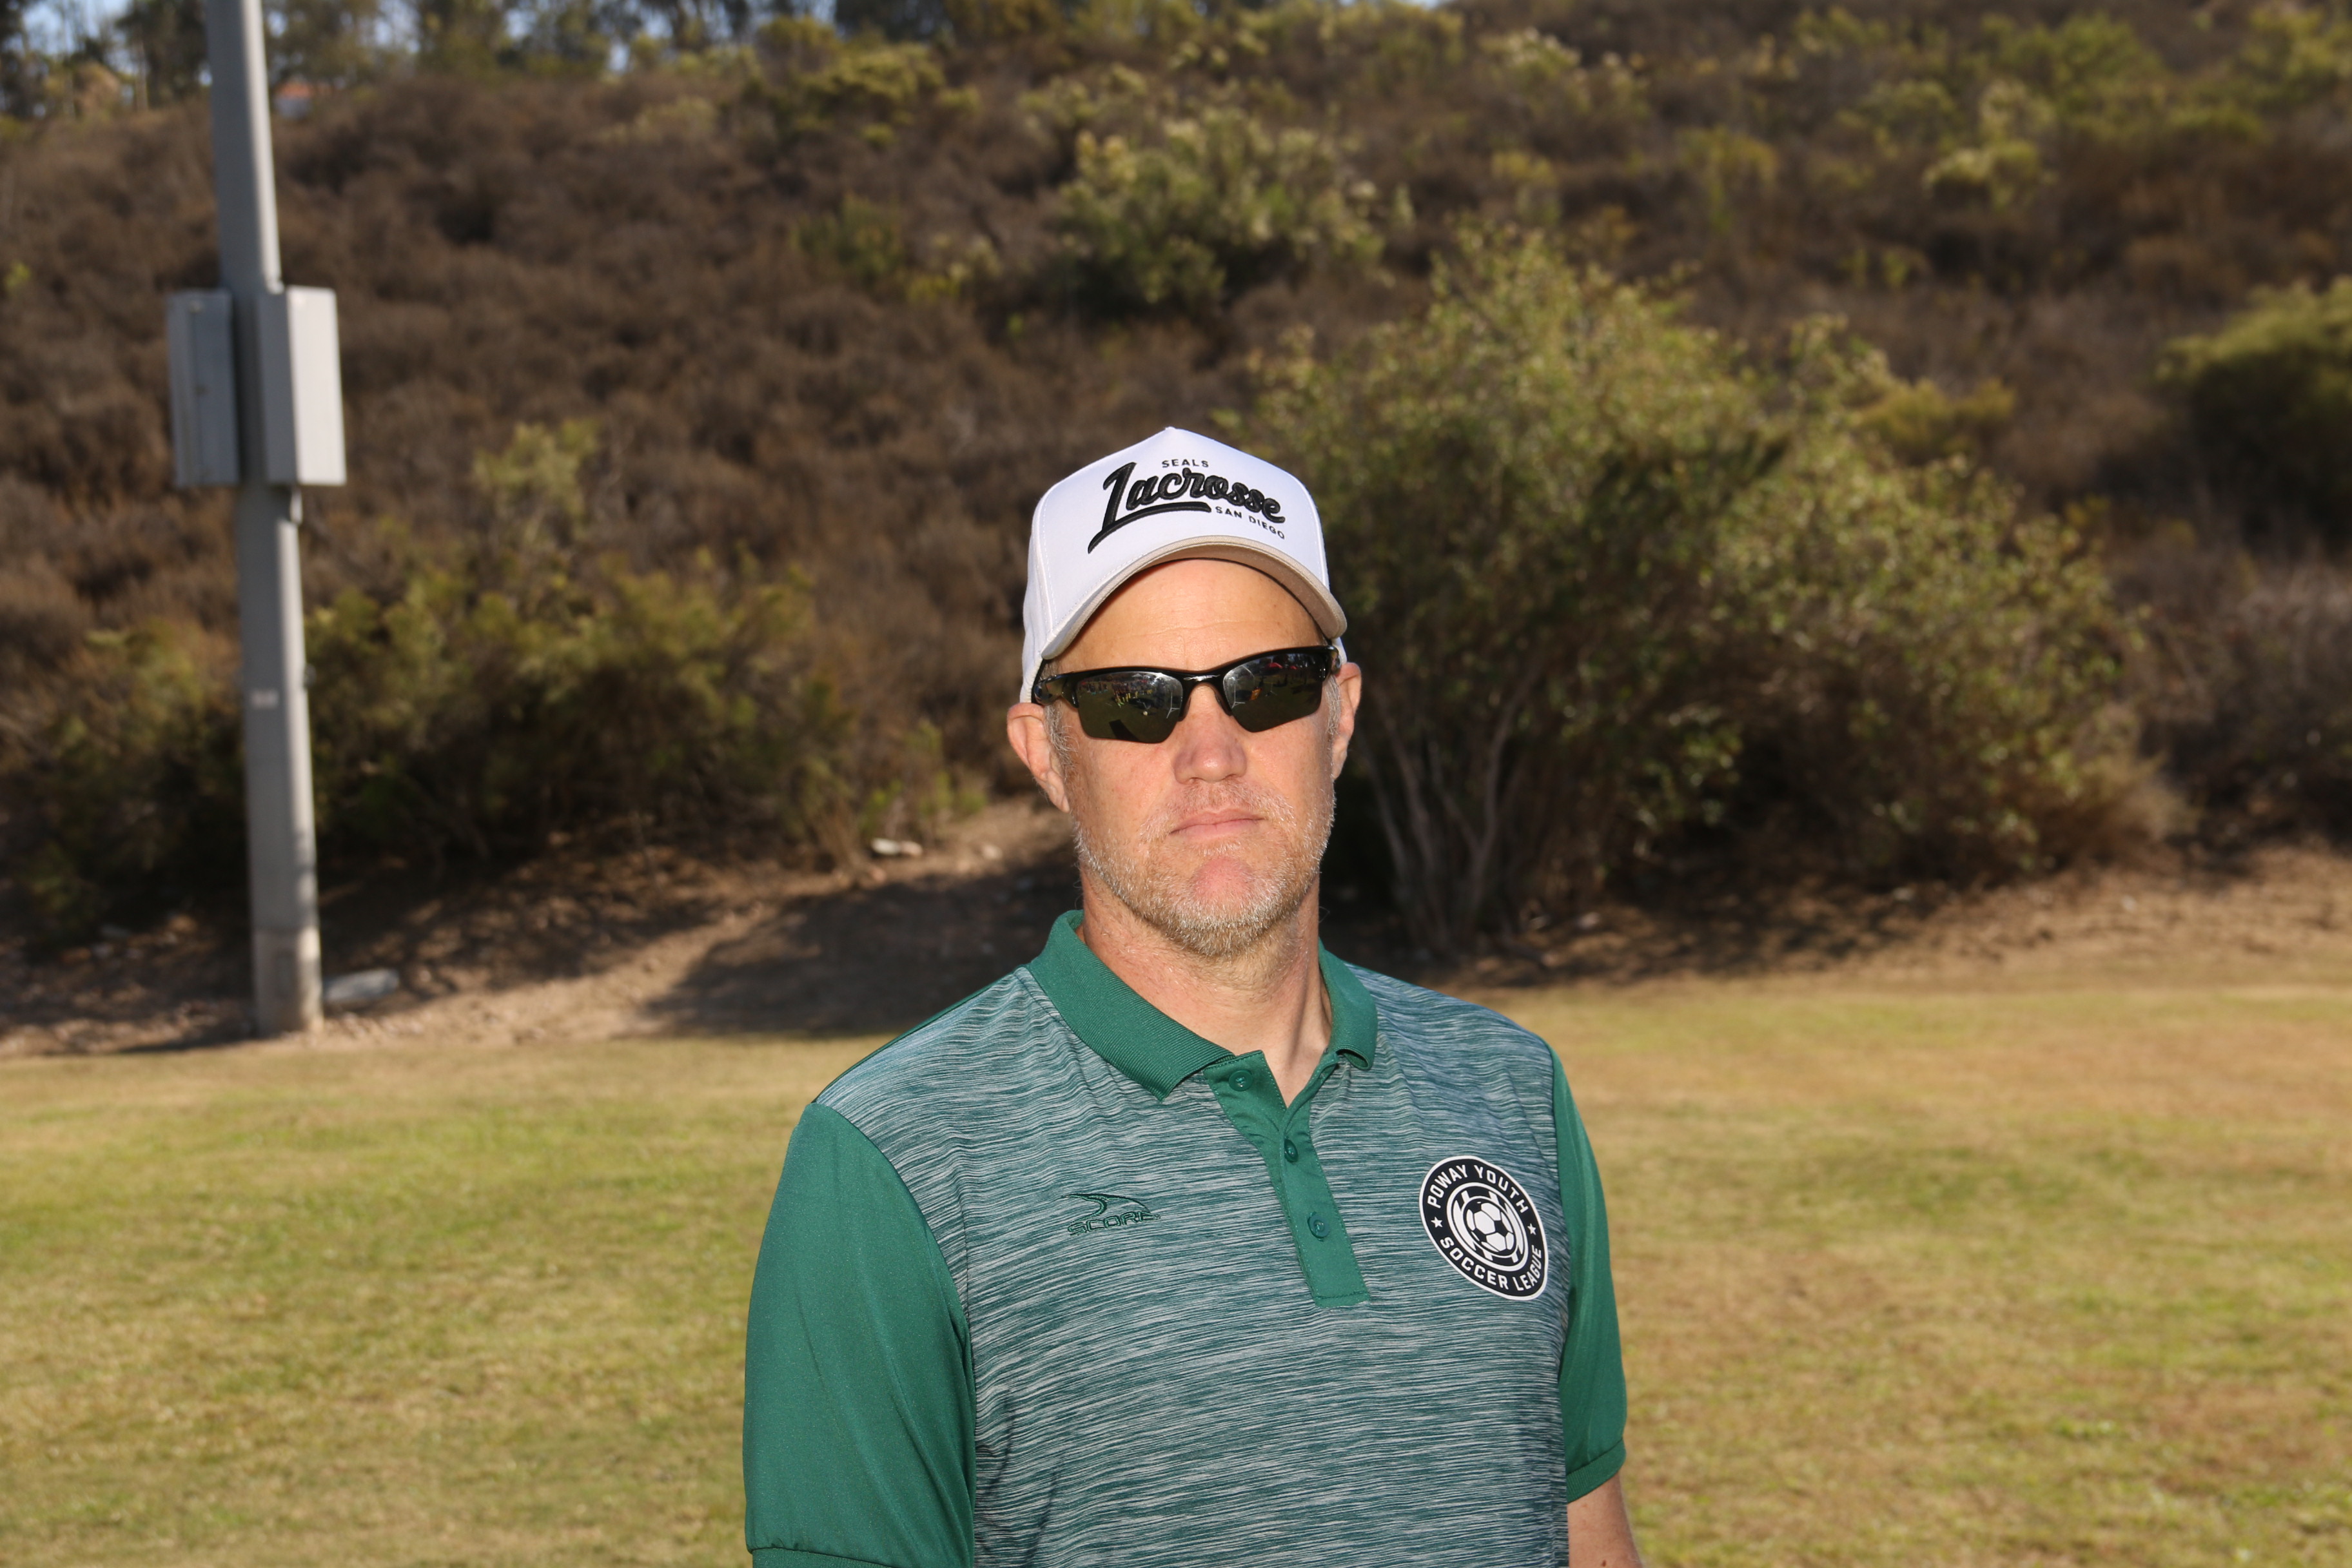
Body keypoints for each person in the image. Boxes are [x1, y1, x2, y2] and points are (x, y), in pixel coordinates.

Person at [743, 427, 1642, 1568]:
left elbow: (1587, 1529)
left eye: (1269, 685)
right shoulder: (887, 1161)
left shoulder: (1512, 1090)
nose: (1211, 753)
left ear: (1340, 713)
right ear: (1046, 752)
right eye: (1135, 702)